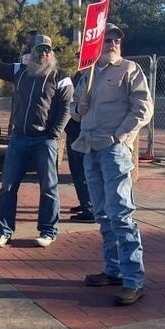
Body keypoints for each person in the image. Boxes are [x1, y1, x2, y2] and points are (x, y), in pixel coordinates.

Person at [71, 23, 154, 306]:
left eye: (117, 39)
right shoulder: (87, 74)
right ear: (96, 43)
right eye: (107, 39)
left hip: (113, 150)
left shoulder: (129, 70)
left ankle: (134, 279)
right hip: (89, 148)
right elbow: (74, 108)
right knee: (103, 214)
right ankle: (114, 269)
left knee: (121, 213)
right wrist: (77, 110)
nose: (113, 43)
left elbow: (143, 109)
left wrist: (121, 137)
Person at [0, 31, 73, 248]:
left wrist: (54, 133)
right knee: (8, 186)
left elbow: (67, 107)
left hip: (45, 140)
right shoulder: (20, 71)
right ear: (32, 51)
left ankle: (48, 230)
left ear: (52, 52)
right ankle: (3, 231)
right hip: (19, 138)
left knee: (49, 187)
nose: (44, 53)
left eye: (48, 49)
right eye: (39, 49)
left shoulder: (61, 76)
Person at [65, 70, 95, 223]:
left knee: (82, 171)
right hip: (75, 126)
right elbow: (74, 102)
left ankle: (90, 208)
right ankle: (85, 203)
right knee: (76, 170)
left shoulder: (95, 76)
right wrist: (76, 108)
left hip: (83, 130)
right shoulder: (81, 76)